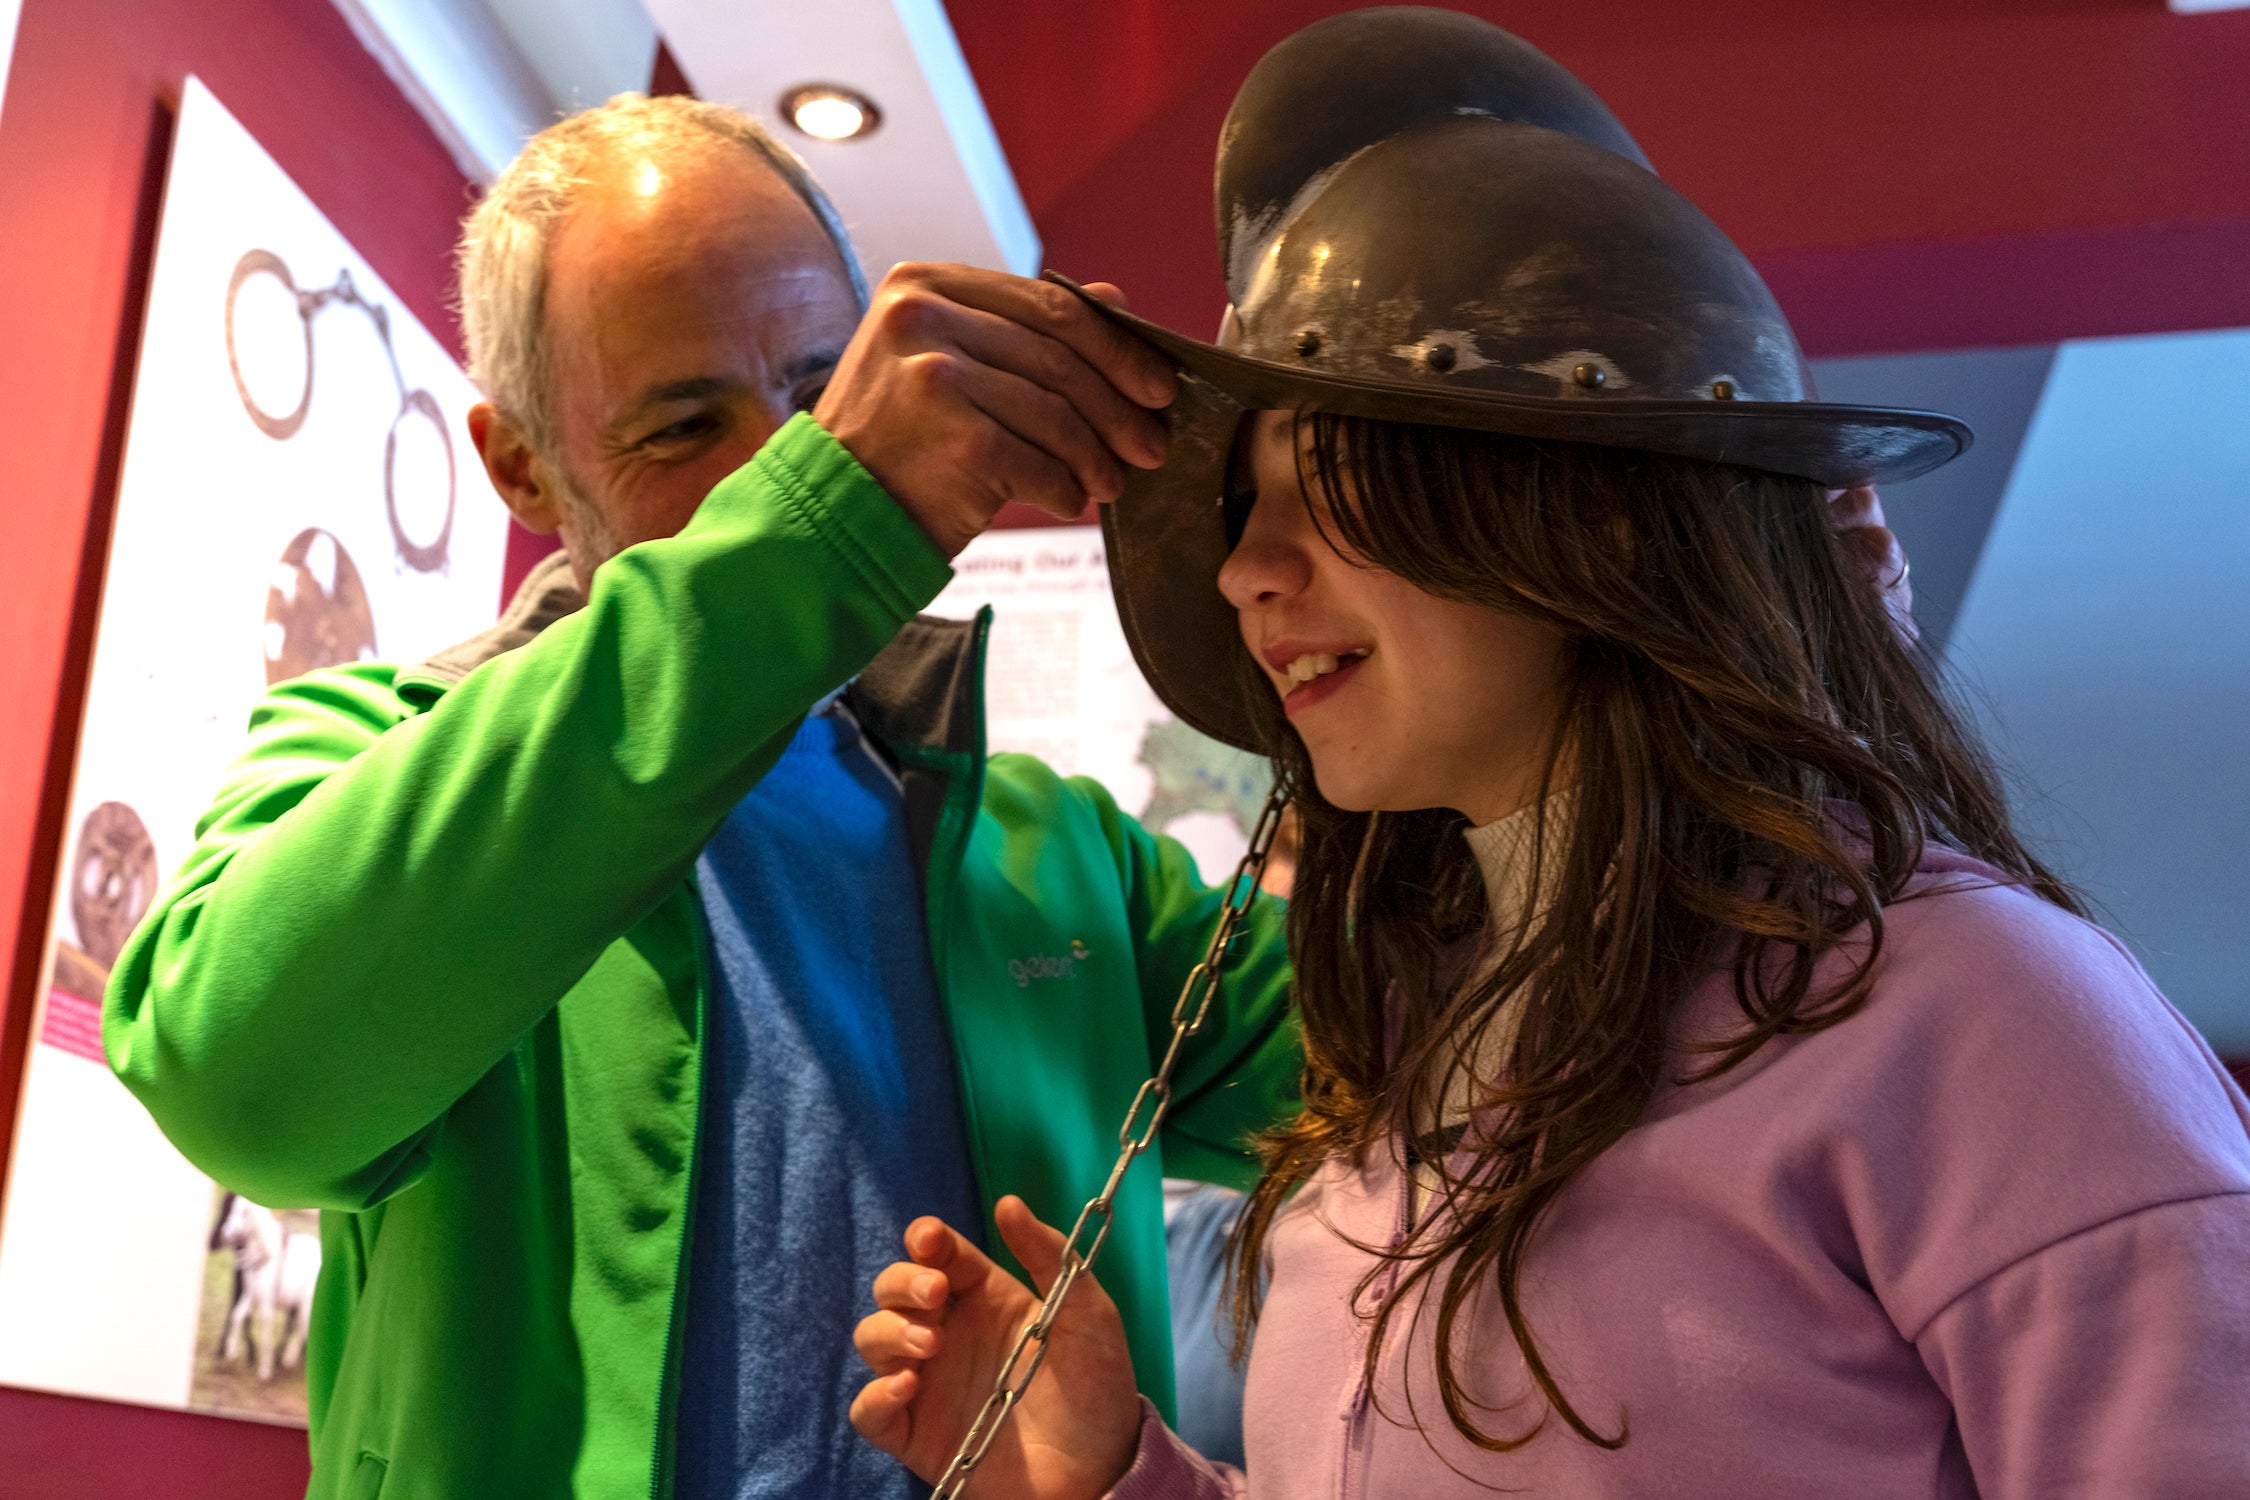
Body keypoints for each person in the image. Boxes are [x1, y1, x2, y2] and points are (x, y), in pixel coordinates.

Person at [848, 12, 2250, 1498]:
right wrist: (1111, 1481)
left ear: (1587, 518)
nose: (1246, 573)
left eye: (1329, 486)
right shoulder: (1406, 1065)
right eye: (1244, 512)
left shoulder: (1968, 1013)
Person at [101, 94, 1304, 1500]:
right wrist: (819, 532)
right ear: (522, 466)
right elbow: (245, 1087)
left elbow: (1437, 1057)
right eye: (683, 425)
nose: (778, 467)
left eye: (821, 398)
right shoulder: (371, 750)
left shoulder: (1059, 850)